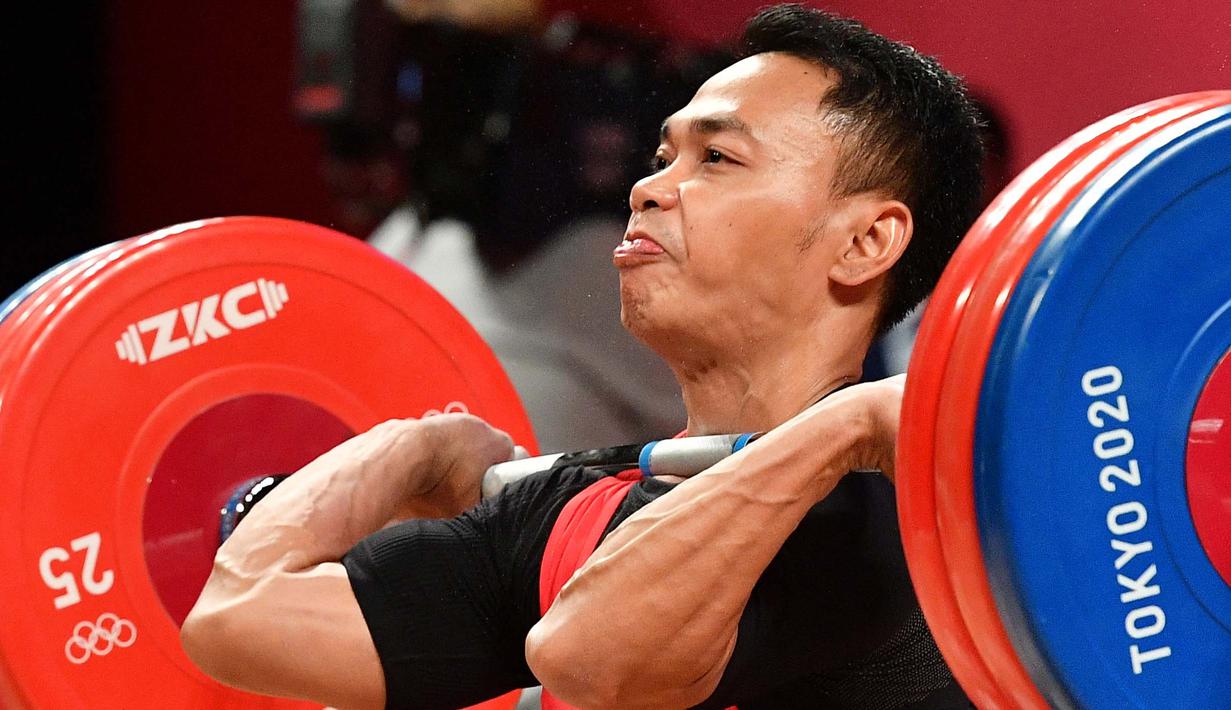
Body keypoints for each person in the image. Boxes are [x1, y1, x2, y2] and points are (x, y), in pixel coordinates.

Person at [181, 5, 985, 709]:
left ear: (866, 242)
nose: (648, 188)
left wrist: (840, 428)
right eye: (662, 157)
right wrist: (410, 445)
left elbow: (594, 660)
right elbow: (237, 618)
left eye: (716, 159)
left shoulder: (909, 515)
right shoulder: (568, 510)